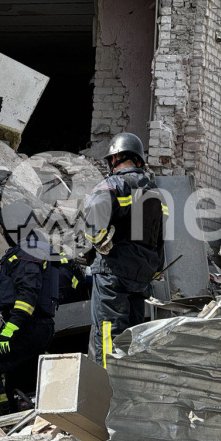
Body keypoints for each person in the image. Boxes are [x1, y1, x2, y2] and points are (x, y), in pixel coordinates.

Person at [83, 132, 166, 368]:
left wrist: (97, 239)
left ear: (116, 157)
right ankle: (128, 385)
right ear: (139, 160)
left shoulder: (114, 184)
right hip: (141, 277)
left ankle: (107, 392)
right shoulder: (155, 193)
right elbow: (159, 237)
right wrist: (155, 267)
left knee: (108, 334)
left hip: (113, 273)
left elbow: (94, 210)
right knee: (131, 335)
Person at [0, 201, 60, 417]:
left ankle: (0, 420)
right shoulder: (38, 249)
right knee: (17, 382)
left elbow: (26, 299)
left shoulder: (26, 254)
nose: (2, 235)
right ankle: (18, 424)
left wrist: (9, 332)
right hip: (37, 326)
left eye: (3, 230)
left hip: (25, 326)